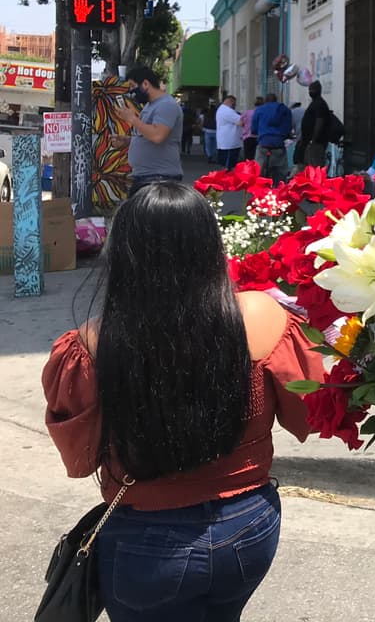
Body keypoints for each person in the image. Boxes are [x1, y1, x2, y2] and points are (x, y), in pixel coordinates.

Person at [42, 183, 322, 621]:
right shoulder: (263, 316)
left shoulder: (93, 343)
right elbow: (309, 414)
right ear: (209, 244)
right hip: (248, 525)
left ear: (123, 254)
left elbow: (79, 459)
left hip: (145, 543)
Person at [114, 67, 185, 197]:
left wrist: (132, 119)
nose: (131, 92)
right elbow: (148, 133)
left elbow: (158, 135)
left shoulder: (166, 105)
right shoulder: (150, 105)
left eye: (133, 86)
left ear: (145, 84)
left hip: (159, 179)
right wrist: (129, 141)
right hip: (147, 177)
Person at [252, 93, 294, 184]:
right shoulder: (284, 109)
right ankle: (279, 187)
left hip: (263, 144)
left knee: (258, 171)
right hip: (278, 144)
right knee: (280, 172)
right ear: (276, 100)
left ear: (265, 101)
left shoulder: (259, 110)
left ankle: (258, 187)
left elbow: (254, 129)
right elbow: (288, 127)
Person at [300, 81, 332, 168]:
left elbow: (319, 122)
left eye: (312, 89)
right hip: (311, 143)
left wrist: (313, 140)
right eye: (310, 89)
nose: (310, 91)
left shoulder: (319, 104)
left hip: (316, 144)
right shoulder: (315, 103)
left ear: (318, 90)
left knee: (315, 168)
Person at [215, 93, 243, 169]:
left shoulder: (222, 109)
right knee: (229, 164)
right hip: (230, 143)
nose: (235, 106)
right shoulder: (227, 111)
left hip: (226, 142)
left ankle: (225, 173)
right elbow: (241, 122)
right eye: (234, 104)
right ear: (230, 102)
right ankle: (227, 174)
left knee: (225, 163)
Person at [241, 97, 263, 162]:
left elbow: (240, 123)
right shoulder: (263, 113)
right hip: (259, 137)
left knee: (248, 157)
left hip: (247, 137)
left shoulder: (247, 112)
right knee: (257, 158)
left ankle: (248, 168)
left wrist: (246, 125)